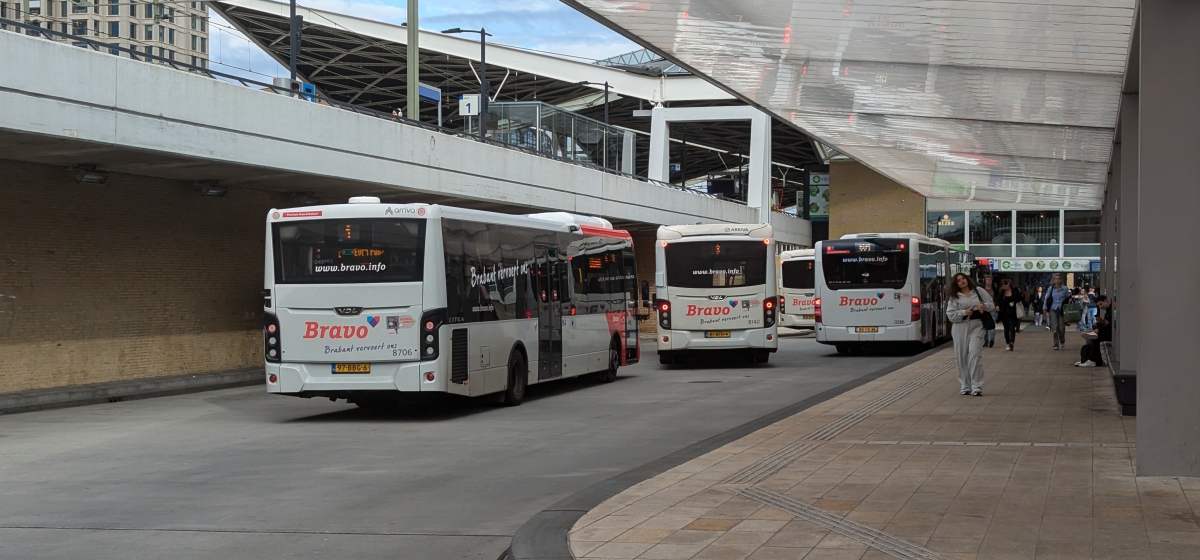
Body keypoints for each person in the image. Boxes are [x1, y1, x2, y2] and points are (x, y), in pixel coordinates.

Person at [947, 273, 994, 396]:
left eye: (963, 278)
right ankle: (965, 384)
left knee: (975, 354)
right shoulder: (954, 297)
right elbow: (950, 314)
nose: (962, 281)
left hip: (977, 325)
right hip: (960, 327)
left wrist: (984, 306)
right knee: (961, 357)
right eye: (958, 280)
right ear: (955, 284)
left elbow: (991, 304)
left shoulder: (978, 291)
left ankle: (976, 385)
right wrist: (963, 312)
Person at [1076, 296, 1113, 367]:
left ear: (1106, 300)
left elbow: (1110, 325)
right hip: (1109, 331)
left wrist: (1099, 329)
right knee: (1092, 336)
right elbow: (1107, 323)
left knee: (1095, 338)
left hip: (1112, 333)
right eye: (1099, 305)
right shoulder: (1108, 310)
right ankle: (1089, 359)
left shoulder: (1111, 310)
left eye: (1101, 304)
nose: (1100, 307)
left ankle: (1094, 360)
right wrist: (1100, 323)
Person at [1044, 274, 1071, 350]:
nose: (1057, 280)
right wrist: (1044, 308)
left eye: (1058, 278)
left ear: (1061, 280)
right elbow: (1047, 298)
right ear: (1053, 280)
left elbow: (1067, 298)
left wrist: (1069, 300)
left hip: (1062, 310)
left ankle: (1062, 340)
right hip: (1053, 309)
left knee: (1061, 328)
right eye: (1055, 279)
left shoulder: (1065, 289)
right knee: (1054, 328)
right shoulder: (1051, 289)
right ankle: (1056, 344)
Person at [995, 278, 1023, 351]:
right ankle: (1008, 342)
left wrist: (1014, 301)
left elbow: (1020, 298)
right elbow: (997, 300)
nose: (1004, 287)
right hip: (1004, 313)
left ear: (1009, 284)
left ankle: (1012, 343)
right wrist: (997, 306)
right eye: (1003, 286)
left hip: (1013, 313)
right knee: (1006, 329)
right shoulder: (1002, 293)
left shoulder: (1015, 291)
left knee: (1012, 328)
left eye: (1005, 285)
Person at [982, 276, 997, 348]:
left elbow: (997, 298)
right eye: (987, 279)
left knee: (992, 325)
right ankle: (985, 340)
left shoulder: (994, 289)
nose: (988, 281)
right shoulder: (982, 289)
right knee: (984, 326)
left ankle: (992, 340)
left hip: (992, 309)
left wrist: (997, 305)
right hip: (984, 309)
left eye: (990, 280)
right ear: (985, 280)